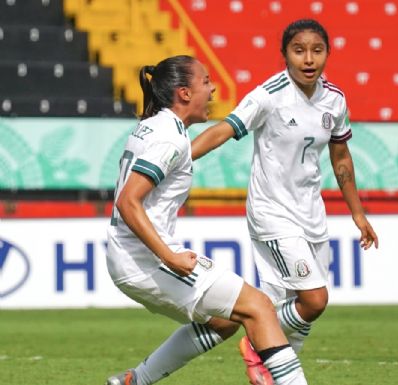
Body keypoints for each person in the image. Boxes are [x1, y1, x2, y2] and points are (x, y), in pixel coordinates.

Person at [191, 19, 379, 385]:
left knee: (294, 316)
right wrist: (178, 156)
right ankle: (255, 344)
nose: (308, 59)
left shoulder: (335, 99)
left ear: (327, 53)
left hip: (312, 214)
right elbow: (224, 130)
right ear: (285, 55)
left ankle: (266, 366)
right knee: (314, 300)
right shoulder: (268, 95)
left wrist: (358, 214)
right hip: (272, 212)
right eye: (299, 50)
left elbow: (341, 157)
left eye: (317, 50)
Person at [105, 55, 308, 385]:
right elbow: (129, 201)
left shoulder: (157, 127)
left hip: (132, 257)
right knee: (259, 307)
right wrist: (168, 256)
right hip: (145, 261)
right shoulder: (169, 137)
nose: (213, 89)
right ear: (184, 93)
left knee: (225, 319)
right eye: (205, 82)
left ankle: (134, 381)